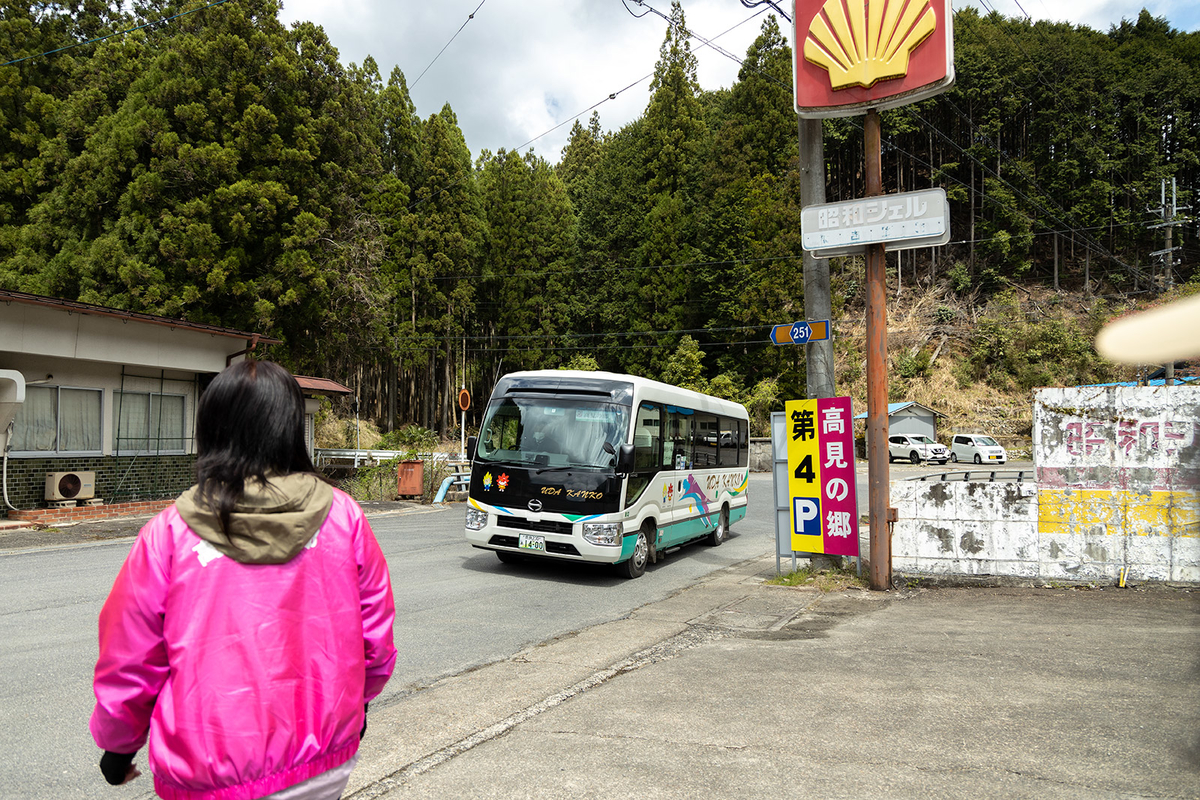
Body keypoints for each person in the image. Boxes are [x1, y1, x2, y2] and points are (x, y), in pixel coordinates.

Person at [90, 360, 396, 800]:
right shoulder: (344, 517)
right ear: (289, 426)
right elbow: (376, 639)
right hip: (323, 758)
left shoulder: (171, 532)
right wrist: (358, 704)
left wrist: (118, 746)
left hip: (206, 773)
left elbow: (130, 657)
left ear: (212, 428)